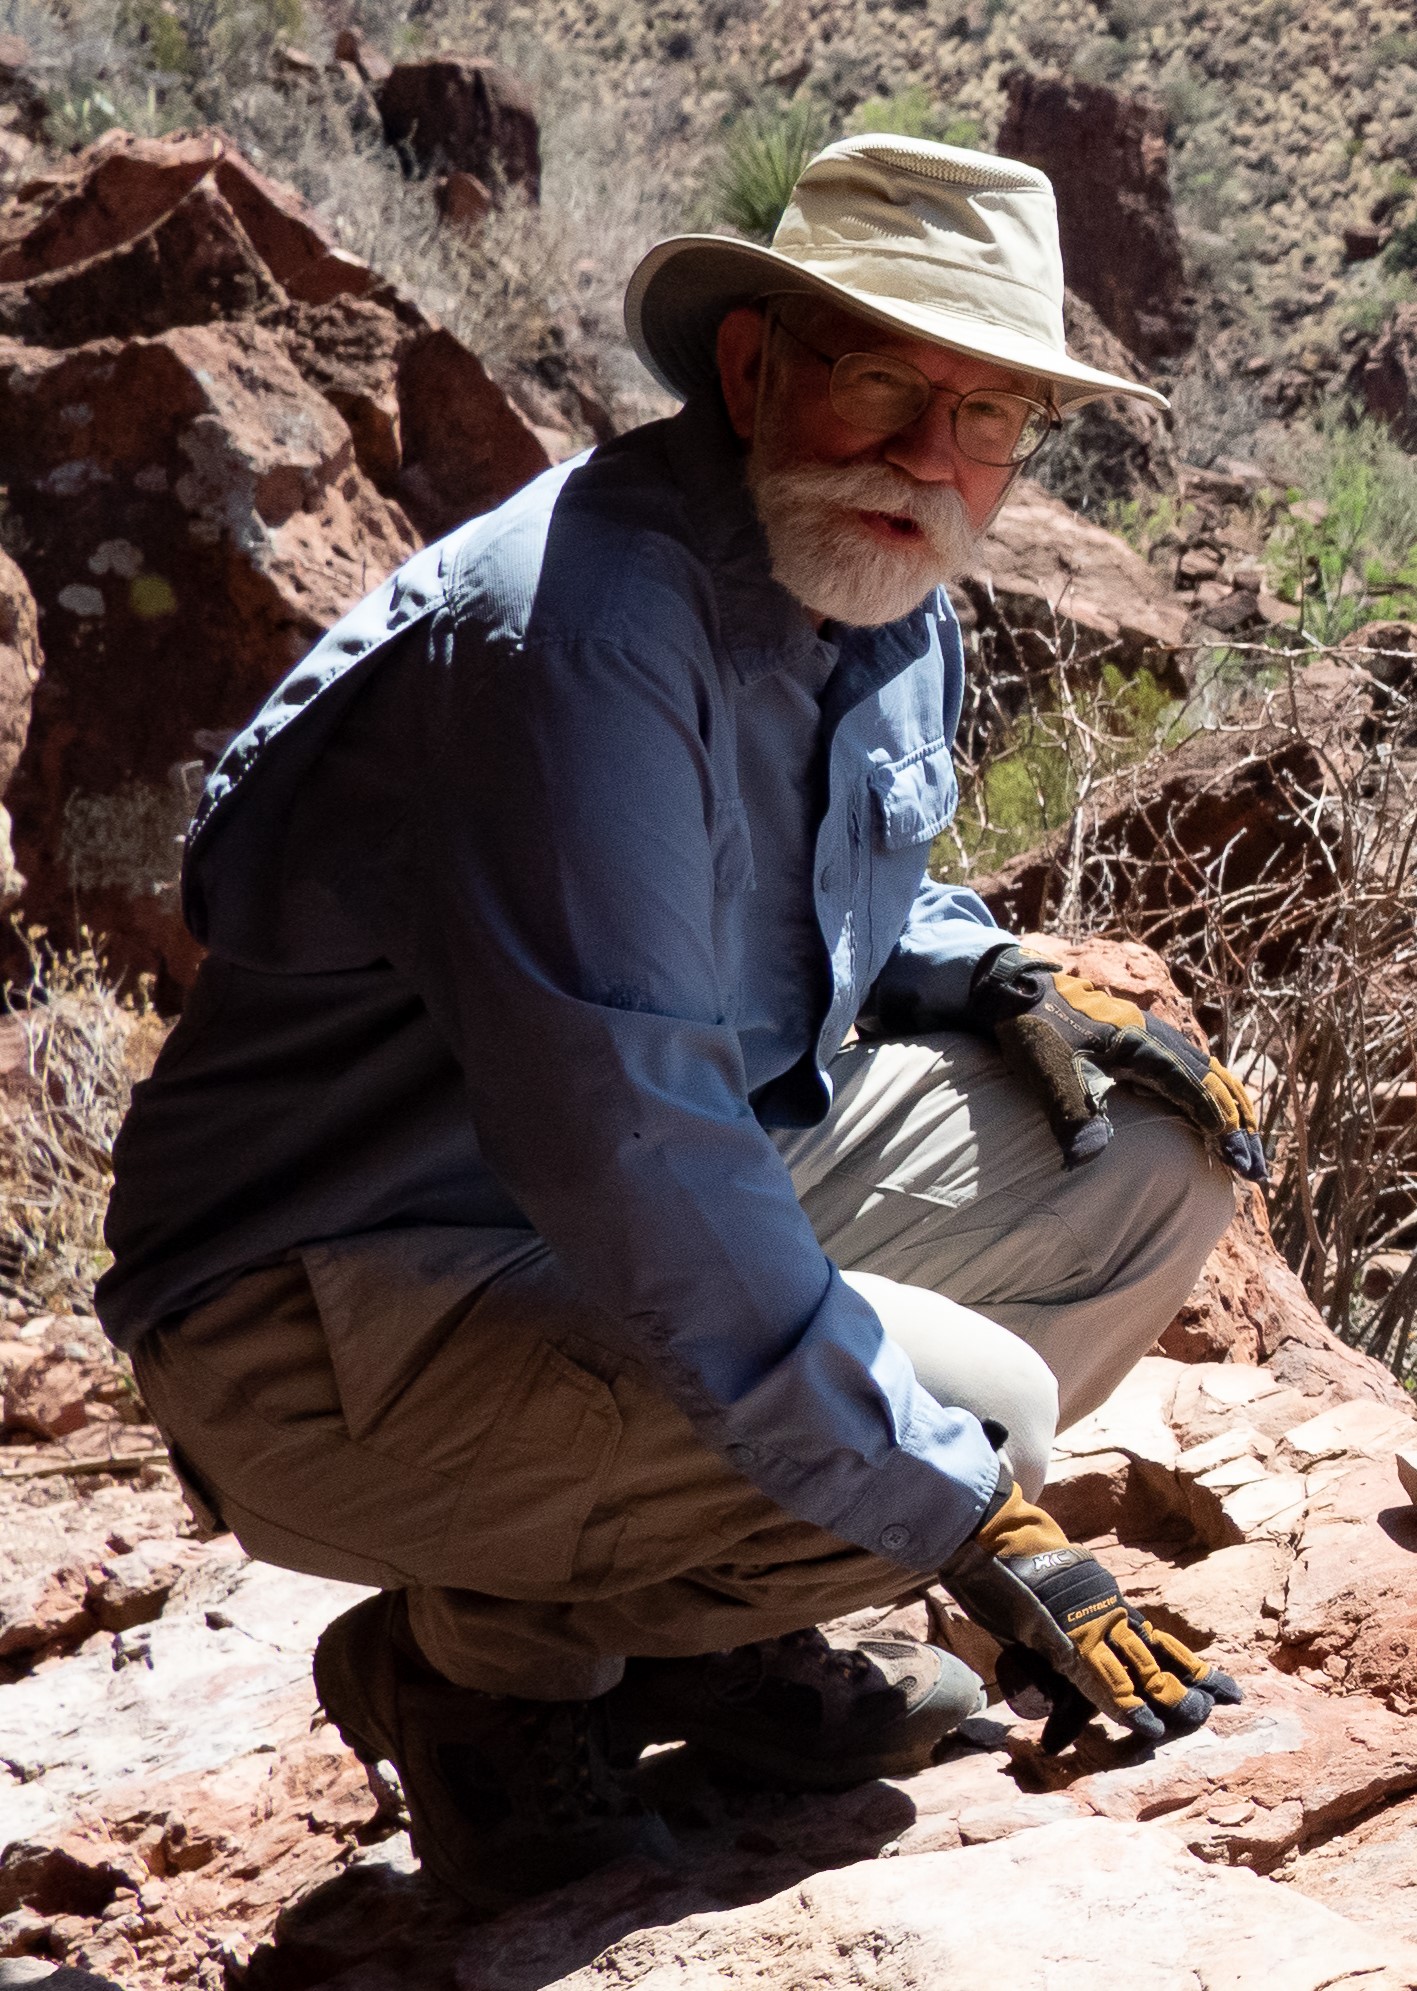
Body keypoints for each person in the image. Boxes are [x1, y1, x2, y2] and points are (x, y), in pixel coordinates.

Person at [96, 135, 1262, 1910]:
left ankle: (702, 1631)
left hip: (565, 1218)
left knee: (1143, 1152)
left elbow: (804, 899)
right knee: (982, 1417)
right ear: (752, 366)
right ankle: (488, 1675)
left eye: (989, 418)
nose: (930, 460)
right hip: (325, 1301)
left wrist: (988, 969)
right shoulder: (579, 635)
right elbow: (633, 1143)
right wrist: (962, 1521)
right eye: (884, 385)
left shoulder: (879, 591)